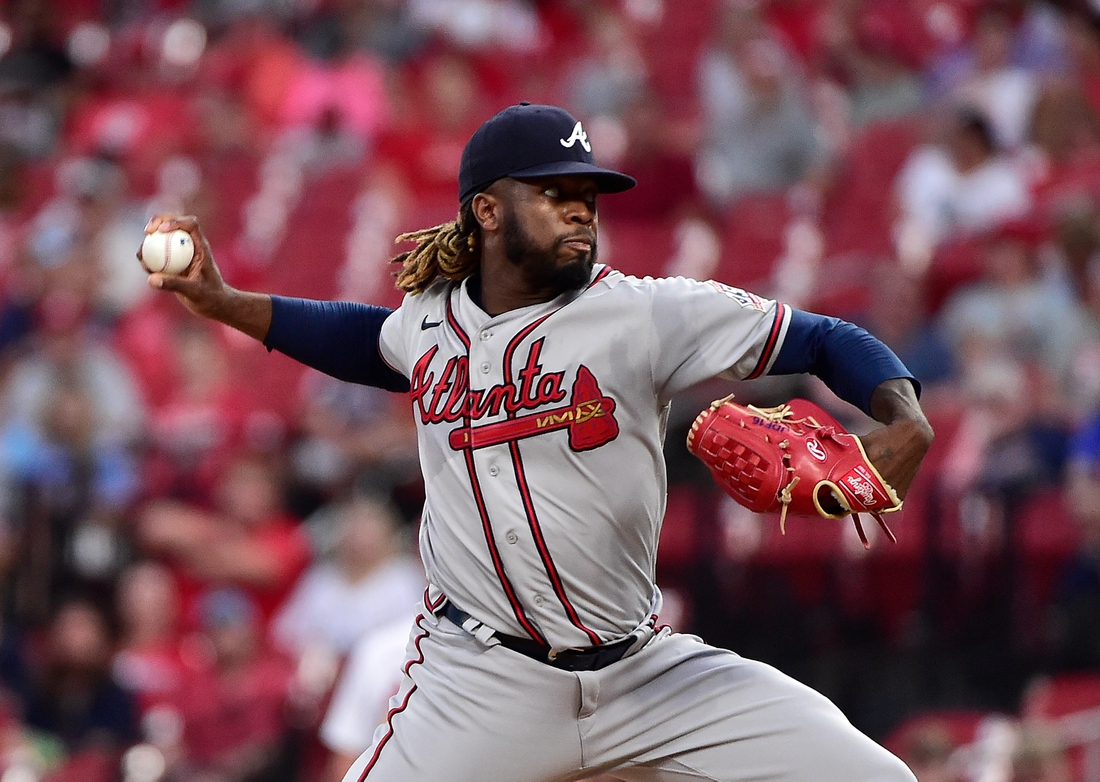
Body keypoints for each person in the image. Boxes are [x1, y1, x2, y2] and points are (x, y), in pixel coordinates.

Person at [140, 103, 934, 782]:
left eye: (589, 195)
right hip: (480, 682)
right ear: (487, 211)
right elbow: (364, 340)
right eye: (556, 194)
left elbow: (823, 338)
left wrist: (903, 416)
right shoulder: (426, 320)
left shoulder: (644, 313)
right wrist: (225, 303)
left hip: (642, 672)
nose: (582, 210)